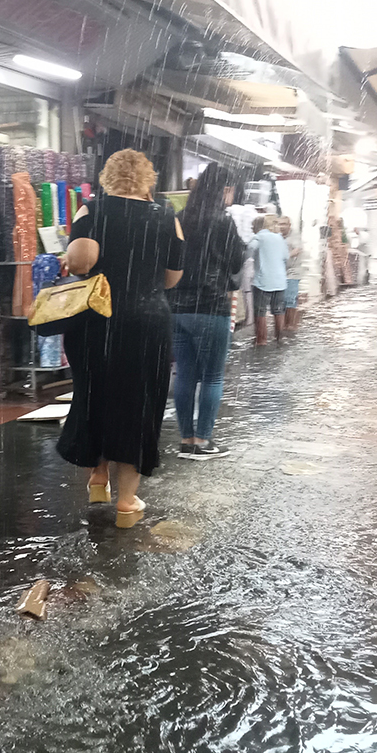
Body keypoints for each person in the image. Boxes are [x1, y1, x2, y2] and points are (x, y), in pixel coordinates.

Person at [57, 149, 184, 528]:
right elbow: (172, 278)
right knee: (139, 404)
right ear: (147, 179)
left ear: (107, 177)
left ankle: (98, 476)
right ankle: (127, 502)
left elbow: (81, 262)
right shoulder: (166, 217)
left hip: (97, 319)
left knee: (96, 392)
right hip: (147, 322)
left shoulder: (91, 211)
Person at [168, 162, 243, 461]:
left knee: (185, 374)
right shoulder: (224, 222)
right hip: (211, 306)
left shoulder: (180, 217)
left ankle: (186, 440)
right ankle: (204, 441)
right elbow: (236, 264)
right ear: (225, 189)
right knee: (212, 377)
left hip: (176, 307)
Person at [248, 214, 290, 345]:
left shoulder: (258, 237)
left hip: (263, 281)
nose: (251, 228)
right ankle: (280, 337)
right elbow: (286, 256)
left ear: (257, 226)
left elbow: (248, 250)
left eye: (252, 226)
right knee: (278, 310)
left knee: (260, 311)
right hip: (280, 280)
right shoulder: (279, 238)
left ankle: (261, 339)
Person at [281, 216, 303, 331]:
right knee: (283, 302)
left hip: (292, 273)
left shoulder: (294, 237)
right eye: (280, 224)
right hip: (281, 273)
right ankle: (285, 326)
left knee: (290, 299)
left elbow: (296, 251)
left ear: (289, 225)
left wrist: (285, 256)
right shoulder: (278, 237)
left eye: (284, 224)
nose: (282, 226)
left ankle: (291, 326)